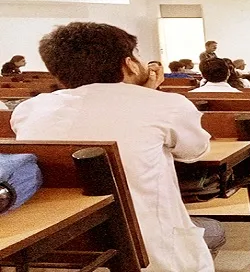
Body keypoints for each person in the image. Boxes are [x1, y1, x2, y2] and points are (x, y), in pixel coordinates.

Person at [10, 22, 222, 271]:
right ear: (130, 64)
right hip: (149, 248)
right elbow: (194, 152)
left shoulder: (30, 109)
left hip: (58, 244)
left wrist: (146, 96)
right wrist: (151, 96)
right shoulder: (168, 105)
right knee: (214, 231)